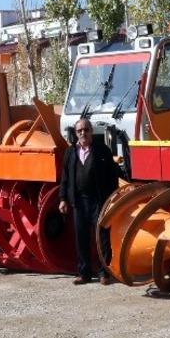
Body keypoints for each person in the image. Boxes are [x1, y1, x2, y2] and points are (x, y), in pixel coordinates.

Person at [58, 118, 121, 285]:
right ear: (76, 133)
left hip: (99, 201)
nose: (83, 133)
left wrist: (111, 199)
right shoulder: (70, 152)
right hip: (79, 201)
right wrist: (63, 199)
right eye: (79, 131)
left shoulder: (103, 151)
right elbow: (64, 177)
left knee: (102, 237)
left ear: (91, 131)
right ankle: (84, 273)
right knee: (81, 238)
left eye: (86, 130)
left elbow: (112, 177)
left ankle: (104, 273)